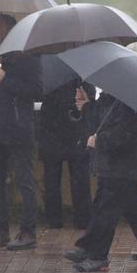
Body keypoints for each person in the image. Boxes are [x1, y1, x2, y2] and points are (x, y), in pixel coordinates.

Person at [63, 88, 137, 272]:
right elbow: (101, 121)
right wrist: (86, 106)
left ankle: (97, 255)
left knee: (106, 210)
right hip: (113, 166)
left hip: (122, 167)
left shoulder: (129, 102)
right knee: (132, 210)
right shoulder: (111, 97)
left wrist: (99, 141)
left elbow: (127, 135)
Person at [0, 15, 43, 251]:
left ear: (10, 31)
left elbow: (37, 91)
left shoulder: (28, 57)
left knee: (24, 181)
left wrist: (6, 80)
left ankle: (28, 232)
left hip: (18, 129)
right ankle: (1, 230)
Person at [37, 78, 94, 229]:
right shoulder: (81, 68)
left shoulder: (48, 71)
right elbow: (90, 96)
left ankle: (54, 219)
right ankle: (82, 219)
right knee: (78, 178)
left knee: (53, 179)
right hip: (73, 127)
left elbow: (37, 93)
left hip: (54, 129)